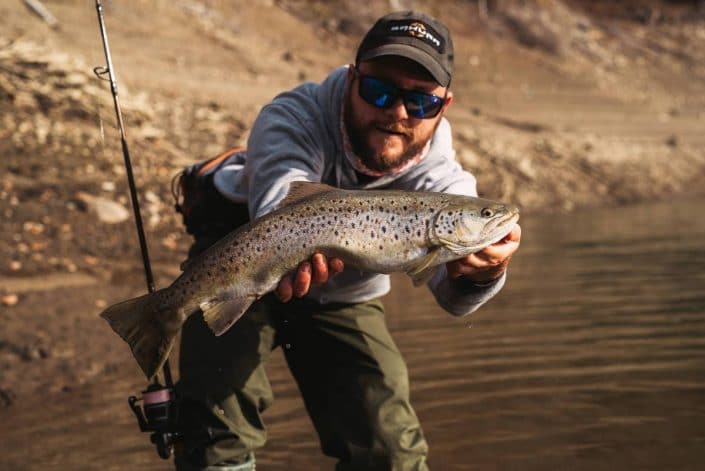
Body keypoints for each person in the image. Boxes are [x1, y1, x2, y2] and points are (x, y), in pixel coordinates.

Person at [174, 10, 521, 471]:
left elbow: (454, 298)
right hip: (243, 262)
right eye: (379, 91)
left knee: (392, 452)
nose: (397, 113)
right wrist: (302, 249)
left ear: (445, 105)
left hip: (344, 294)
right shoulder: (292, 115)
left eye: (420, 103)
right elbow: (278, 210)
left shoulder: (443, 180)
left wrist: (486, 271)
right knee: (216, 431)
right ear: (353, 78)